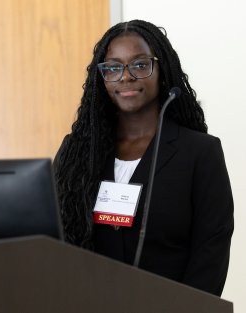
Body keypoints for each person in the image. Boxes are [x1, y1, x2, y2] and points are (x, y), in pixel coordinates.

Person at [53, 20, 234, 296]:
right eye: (113, 67)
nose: (125, 77)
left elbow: (211, 252)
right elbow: (56, 237)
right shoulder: (77, 152)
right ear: (101, 78)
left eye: (140, 64)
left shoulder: (200, 153)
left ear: (162, 71)